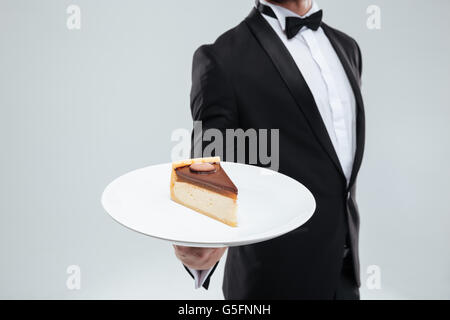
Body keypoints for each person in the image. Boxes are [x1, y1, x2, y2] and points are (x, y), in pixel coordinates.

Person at [174, 0, 365, 299]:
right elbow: (206, 168)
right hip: (271, 283)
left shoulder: (348, 48)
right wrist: (200, 239)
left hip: (344, 276)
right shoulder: (223, 58)